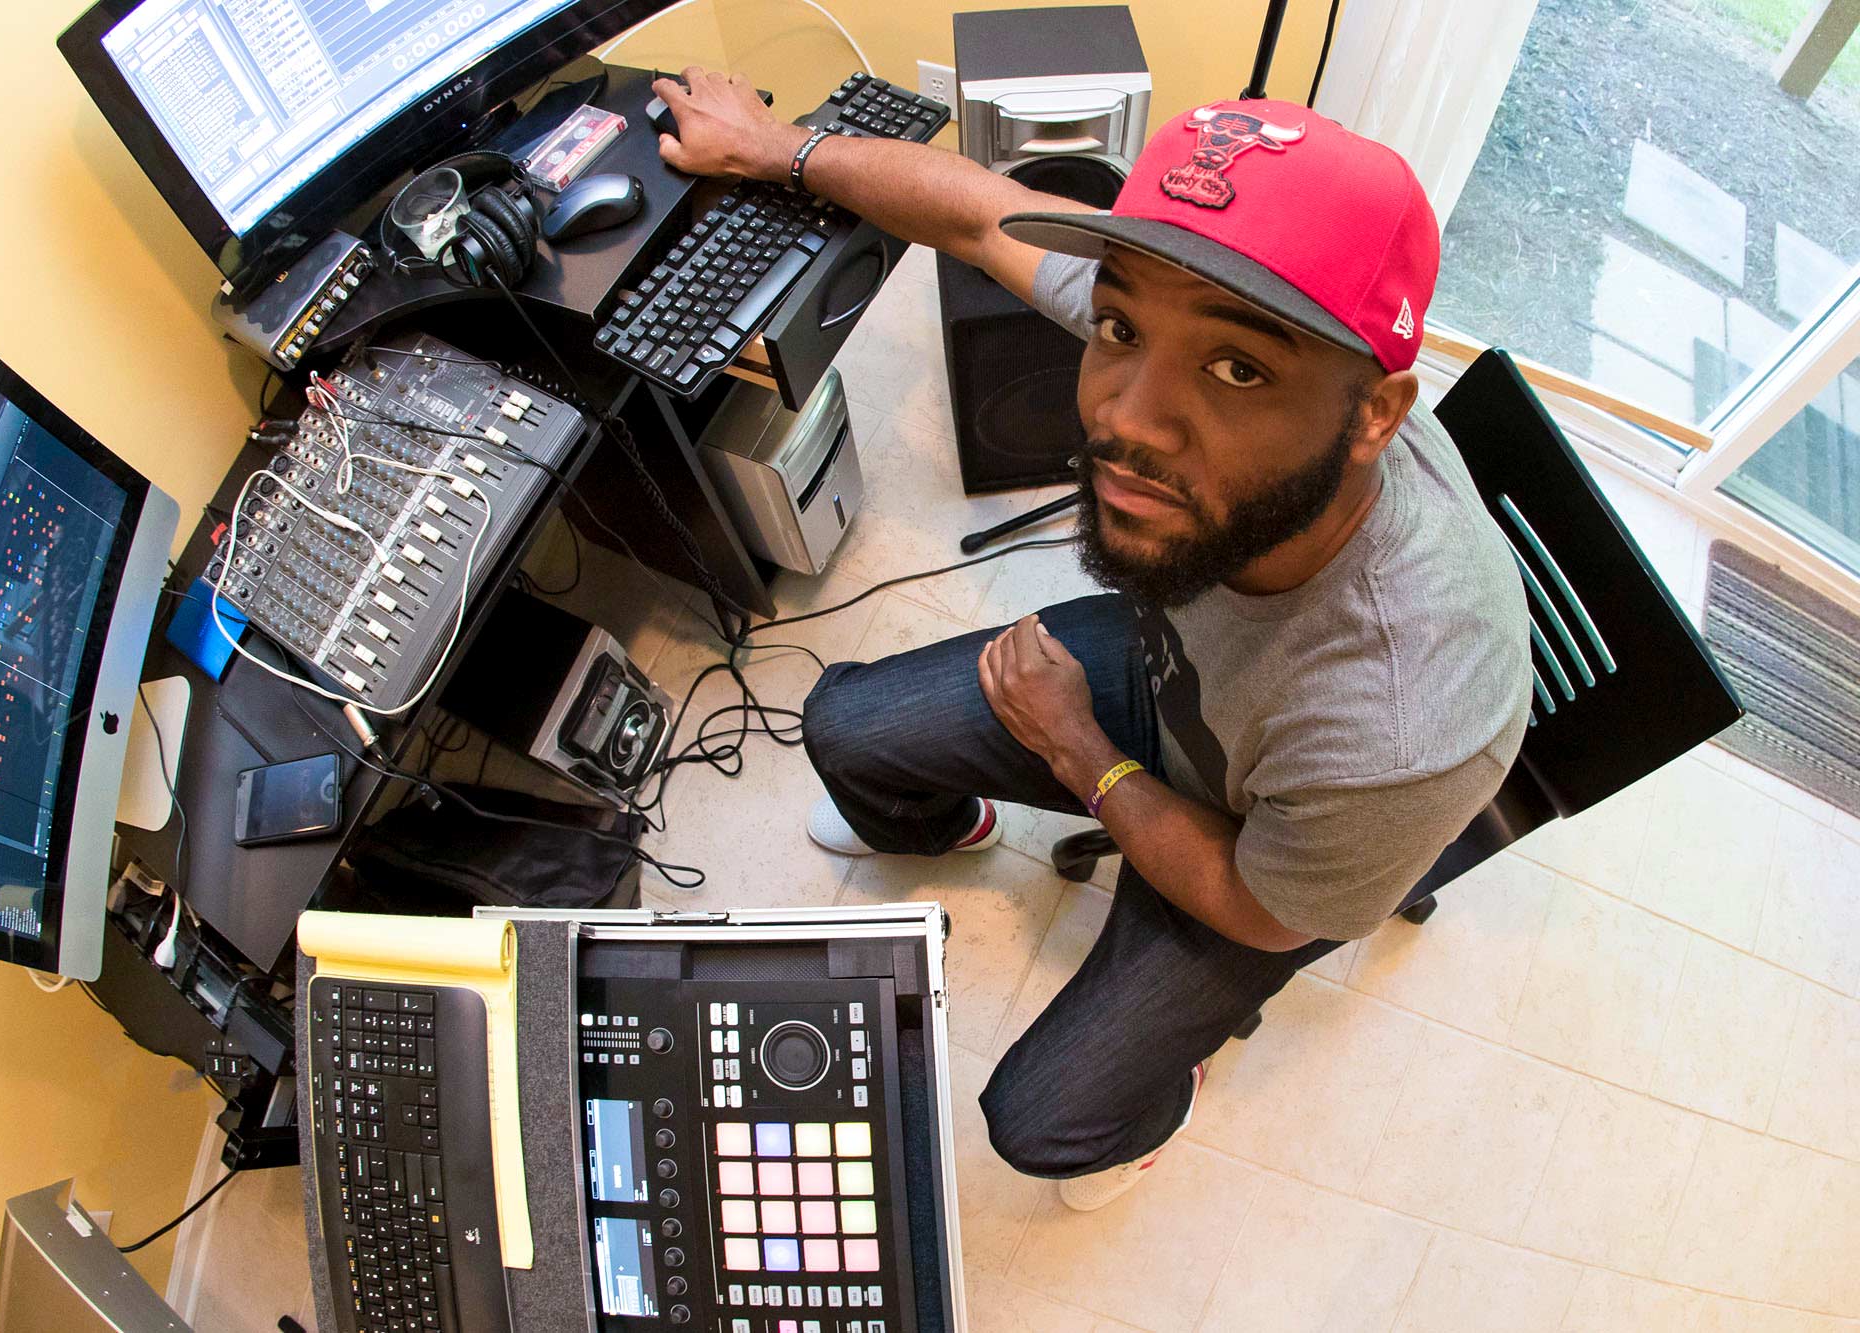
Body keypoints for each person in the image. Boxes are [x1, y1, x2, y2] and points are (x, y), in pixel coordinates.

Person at [650, 69, 1531, 1211]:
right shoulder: (1191, 349)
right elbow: (975, 214)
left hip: (1268, 833)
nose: (1122, 415)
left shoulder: (1403, 722)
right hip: (1179, 678)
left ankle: (1158, 1093)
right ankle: (948, 819)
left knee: (1046, 1121)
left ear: (1373, 414)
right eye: (1119, 326)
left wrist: (1081, 752)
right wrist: (781, 152)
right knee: (843, 723)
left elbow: (1265, 907)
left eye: (1236, 367)